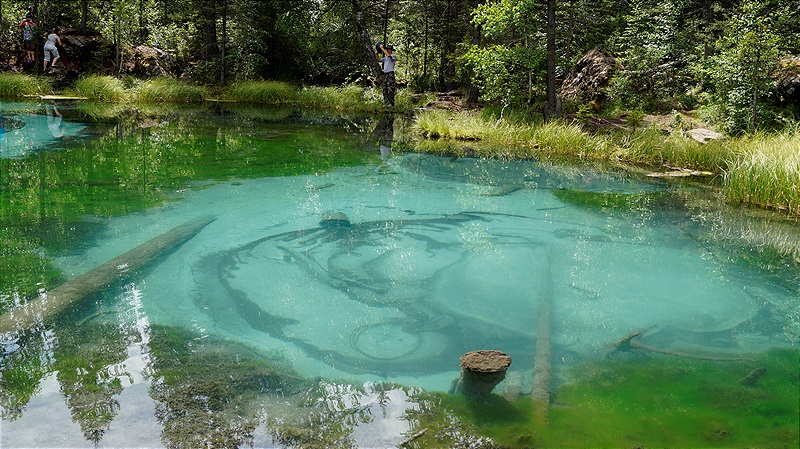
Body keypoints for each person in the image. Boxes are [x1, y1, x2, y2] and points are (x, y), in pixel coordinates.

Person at [378, 43, 397, 108]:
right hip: (385, 74)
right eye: (387, 49)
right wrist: (376, 54)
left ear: (391, 50)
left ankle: (391, 104)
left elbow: (389, 56)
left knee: (390, 89)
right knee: (385, 89)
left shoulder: (393, 56)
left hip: (390, 74)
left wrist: (382, 48)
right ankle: (386, 103)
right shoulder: (385, 58)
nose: (388, 50)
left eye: (389, 49)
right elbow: (378, 60)